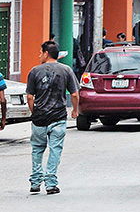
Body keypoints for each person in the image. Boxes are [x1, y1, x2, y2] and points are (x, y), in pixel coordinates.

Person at [26, 40, 80, 195]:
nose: (39, 55)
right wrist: (75, 110)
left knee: (37, 149)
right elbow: (75, 94)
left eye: (40, 52)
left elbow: (30, 97)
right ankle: (51, 183)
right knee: (55, 150)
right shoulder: (66, 70)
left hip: (40, 118)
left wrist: (34, 112)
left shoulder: (34, 71)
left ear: (46, 53)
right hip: (58, 117)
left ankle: (35, 182)